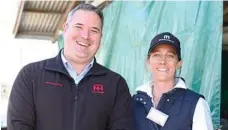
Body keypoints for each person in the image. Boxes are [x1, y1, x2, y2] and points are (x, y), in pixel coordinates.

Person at [7, 3, 133, 130]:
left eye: (94, 30)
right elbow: (18, 125)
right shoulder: (31, 76)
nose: (85, 36)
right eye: (79, 27)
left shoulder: (116, 84)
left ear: (101, 37)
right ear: (66, 28)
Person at [132, 32, 213, 130]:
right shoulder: (135, 102)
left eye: (170, 56)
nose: (162, 61)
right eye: (157, 55)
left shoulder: (196, 104)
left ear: (179, 63)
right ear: (148, 61)